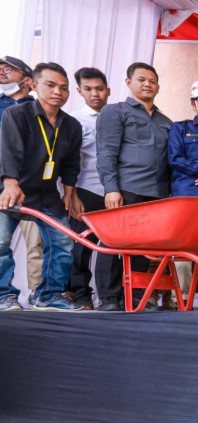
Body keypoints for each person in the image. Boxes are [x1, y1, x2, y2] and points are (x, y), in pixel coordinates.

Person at [0, 62, 83, 311]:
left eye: (64, 87)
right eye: (51, 85)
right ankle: (4, 295)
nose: (58, 91)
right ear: (34, 85)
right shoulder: (16, 114)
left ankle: (48, 295)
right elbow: (9, 151)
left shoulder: (71, 125)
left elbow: (70, 164)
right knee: (1, 242)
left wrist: (69, 193)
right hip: (12, 188)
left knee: (64, 241)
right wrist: (10, 184)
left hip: (46, 193)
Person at [96, 62, 172, 311]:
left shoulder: (166, 122)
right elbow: (106, 151)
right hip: (125, 189)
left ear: (158, 86)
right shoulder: (114, 112)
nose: (147, 84)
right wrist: (111, 188)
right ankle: (109, 298)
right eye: (141, 79)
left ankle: (136, 296)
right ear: (129, 83)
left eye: (152, 80)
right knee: (112, 243)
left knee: (143, 247)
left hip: (155, 194)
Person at [1, 56, 43, 304]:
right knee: (1, 243)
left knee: (37, 245)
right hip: (1, 188)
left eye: (8, 69)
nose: (2, 73)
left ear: (27, 79)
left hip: (34, 189)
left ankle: (39, 294)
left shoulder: (42, 109)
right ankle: (4, 295)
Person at [67, 67, 110, 310]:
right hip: (85, 190)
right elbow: (70, 161)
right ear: (79, 91)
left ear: (108, 91)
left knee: (111, 249)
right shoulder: (74, 120)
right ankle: (81, 294)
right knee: (81, 248)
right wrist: (71, 195)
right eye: (89, 89)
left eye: (99, 89)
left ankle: (109, 296)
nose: (95, 94)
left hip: (115, 193)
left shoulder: (118, 117)